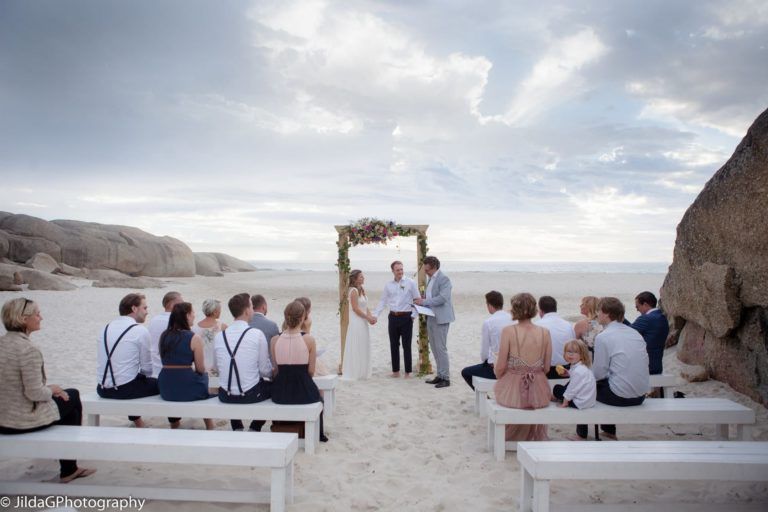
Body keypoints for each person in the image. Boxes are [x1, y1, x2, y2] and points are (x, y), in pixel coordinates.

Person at [0, 298, 96, 483]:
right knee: (73, 397)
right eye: (37, 314)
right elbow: (34, 393)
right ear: (23, 319)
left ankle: (68, 465)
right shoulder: (28, 349)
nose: (41, 318)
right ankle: (69, 468)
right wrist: (52, 390)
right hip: (20, 421)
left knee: (67, 396)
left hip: (3, 417)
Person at [97, 293, 171, 428]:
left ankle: (138, 423)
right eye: (145, 308)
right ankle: (175, 423)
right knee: (166, 384)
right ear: (134, 308)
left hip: (102, 388)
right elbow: (147, 368)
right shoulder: (139, 330)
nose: (147, 312)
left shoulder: (105, 328)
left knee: (133, 378)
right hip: (124, 390)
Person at [493, 293, 552, 441]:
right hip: (538, 388)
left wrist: (502, 376)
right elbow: (547, 368)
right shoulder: (545, 332)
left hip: (514, 386)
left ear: (515, 309)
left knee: (504, 396)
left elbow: (500, 367)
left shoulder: (508, 331)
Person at [591, 297, 650, 440]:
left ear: (606, 313)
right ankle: (608, 431)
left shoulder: (603, 337)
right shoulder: (634, 333)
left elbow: (599, 373)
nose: (597, 314)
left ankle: (582, 434)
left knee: (587, 387)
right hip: (641, 395)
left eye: (598, 311)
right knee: (612, 381)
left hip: (620, 397)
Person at [270, 300, 328, 442]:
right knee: (320, 399)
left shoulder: (274, 340)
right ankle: (319, 434)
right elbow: (311, 371)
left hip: (280, 391)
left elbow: (276, 369)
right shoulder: (309, 340)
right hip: (303, 390)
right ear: (302, 318)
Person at [215, 293, 273, 432]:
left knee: (234, 380)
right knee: (275, 389)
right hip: (250, 395)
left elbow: (217, 368)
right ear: (247, 311)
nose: (253, 310)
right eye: (252, 307)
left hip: (225, 395)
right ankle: (255, 426)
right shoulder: (257, 334)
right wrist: (273, 373)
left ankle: (237, 426)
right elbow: (265, 370)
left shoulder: (219, 336)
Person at [158, 302, 215, 430]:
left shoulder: (164, 335)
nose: (194, 315)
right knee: (204, 378)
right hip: (186, 385)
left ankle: (174, 423)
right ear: (187, 315)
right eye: (193, 312)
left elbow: (166, 361)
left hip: (166, 386)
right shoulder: (194, 338)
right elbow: (200, 368)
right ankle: (209, 424)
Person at [373, 260, 420, 378]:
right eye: (397, 270)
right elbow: (383, 301)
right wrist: (375, 315)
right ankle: (396, 371)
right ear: (393, 271)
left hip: (406, 317)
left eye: (401, 269)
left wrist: (413, 316)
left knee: (406, 345)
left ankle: (408, 372)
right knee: (393, 344)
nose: (400, 272)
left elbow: (417, 300)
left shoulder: (411, 283)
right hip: (393, 317)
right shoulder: (389, 285)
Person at [414, 255, 455, 388]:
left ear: (435, 267)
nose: (426, 272)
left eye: (427, 270)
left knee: (441, 348)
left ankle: (446, 378)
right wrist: (422, 301)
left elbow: (443, 298)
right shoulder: (431, 279)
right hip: (430, 316)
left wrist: (424, 301)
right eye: (425, 270)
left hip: (441, 318)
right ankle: (440, 375)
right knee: (434, 348)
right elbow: (431, 296)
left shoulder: (444, 279)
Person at [460, 291, 514, 389]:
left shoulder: (488, 322)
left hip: (496, 368)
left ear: (489, 305)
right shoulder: (513, 318)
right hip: (514, 365)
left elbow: (484, 352)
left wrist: (486, 361)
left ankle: (486, 399)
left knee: (466, 372)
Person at [552, 339, 596, 440]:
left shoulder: (578, 371)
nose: (571, 355)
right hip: (588, 399)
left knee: (557, 388)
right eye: (569, 352)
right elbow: (576, 381)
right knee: (567, 385)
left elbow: (572, 390)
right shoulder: (582, 367)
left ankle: (581, 436)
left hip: (580, 402)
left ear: (582, 355)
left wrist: (565, 402)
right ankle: (558, 397)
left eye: (575, 352)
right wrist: (567, 373)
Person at [341, 270, 376, 380]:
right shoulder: (354, 291)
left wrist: (371, 317)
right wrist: (367, 317)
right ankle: (355, 371)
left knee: (363, 344)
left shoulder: (361, 290)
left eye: (363, 276)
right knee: (357, 344)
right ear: (355, 279)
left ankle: (362, 371)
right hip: (356, 321)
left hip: (363, 321)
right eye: (361, 277)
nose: (363, 278)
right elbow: (356, 309)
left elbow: (365, 307)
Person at [534, 295, 575, 379]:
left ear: (541, 311)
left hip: (544, 371)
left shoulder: (537, 325)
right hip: (565, 369)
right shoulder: (568, 325)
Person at [631, 291, 669, 376]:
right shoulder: (662, 318)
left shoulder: (646, 319)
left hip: (646, 366)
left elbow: (626, 332)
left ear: (645, 304)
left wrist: (620, 318)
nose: (637, 310)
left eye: (637, 307)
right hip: (657, 365)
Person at [148, 291, 183, 378]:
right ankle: (214, 390)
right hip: (169, 371)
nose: (183, 307)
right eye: (181, 304)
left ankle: (214, 388)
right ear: (172, 305)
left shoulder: (153, 320)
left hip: (154, 369)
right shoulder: (177, 322)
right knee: (212, 378)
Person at [191, 298, 227, 377]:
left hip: (198, 368)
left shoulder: (194, 328)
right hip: (216, 368)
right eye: (219, 309)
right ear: (214, 312)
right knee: (214, 388)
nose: (220, 311)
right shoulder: (223, 326)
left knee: (202, 388)